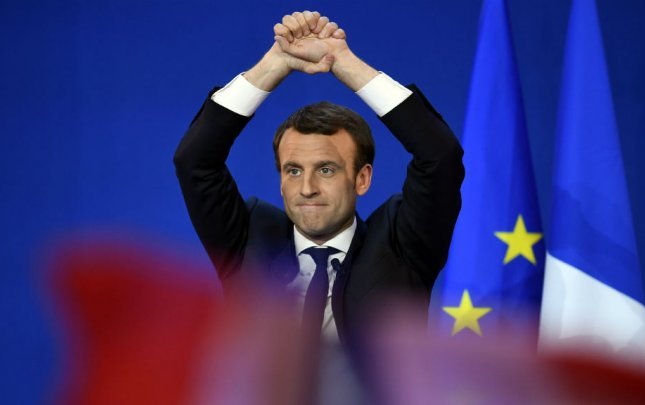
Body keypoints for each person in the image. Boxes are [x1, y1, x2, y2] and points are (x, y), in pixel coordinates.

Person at [174, 11, 464, 343]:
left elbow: (440, 156)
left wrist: (342, 61)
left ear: (362, 178)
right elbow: (194, 160)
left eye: (326, 170)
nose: (307, 189)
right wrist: (275, 63)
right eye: (293, 170)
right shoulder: (249, 238)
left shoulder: (402, 245)